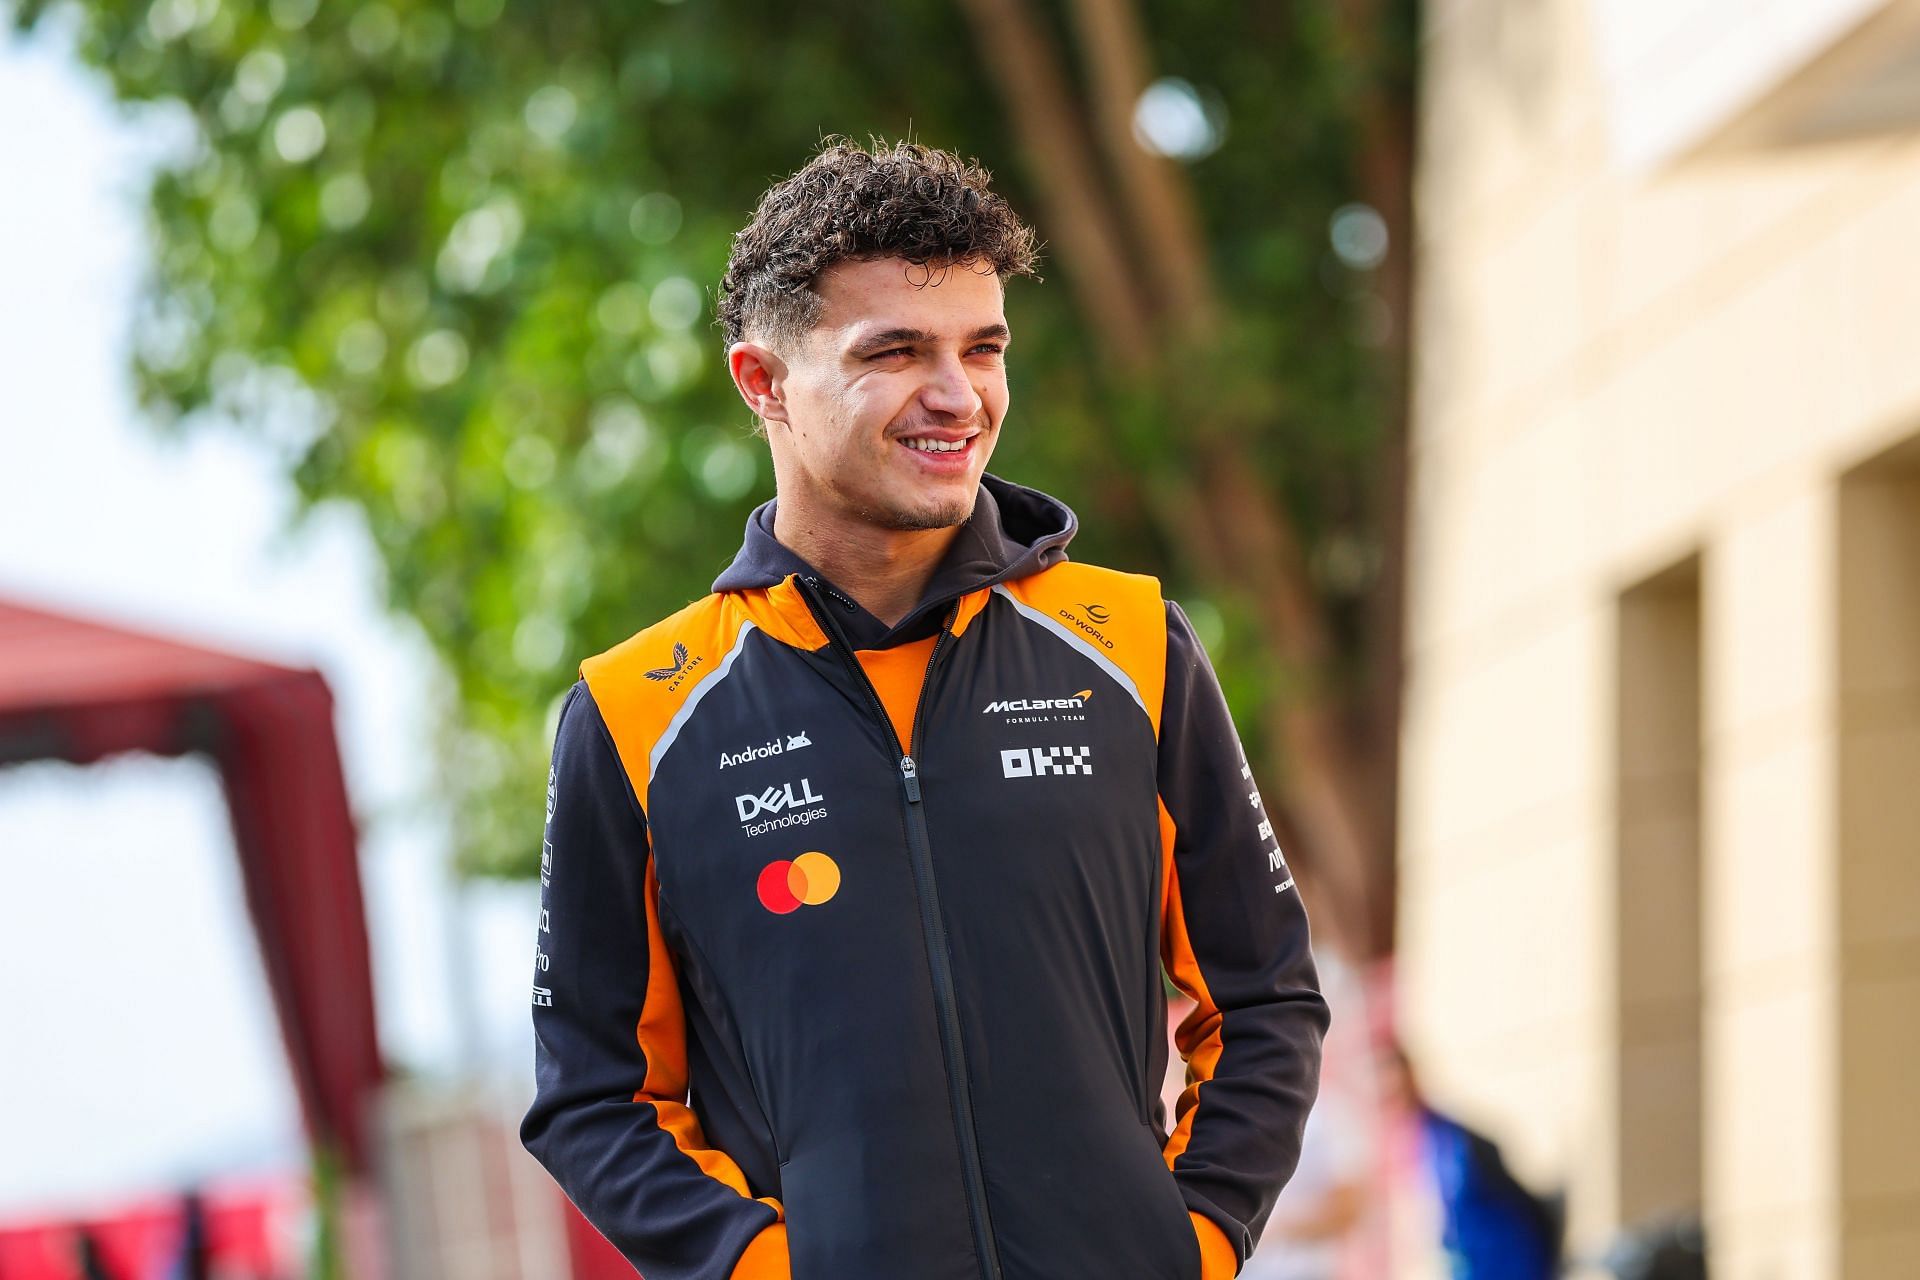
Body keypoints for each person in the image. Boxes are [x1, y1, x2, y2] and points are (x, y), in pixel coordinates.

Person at [521, 137, 1329, 1280]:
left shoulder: (1135, 643)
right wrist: (765, 1268)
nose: (957, 396)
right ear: (763, 383)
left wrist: (1189, 1240)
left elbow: (1265, 998)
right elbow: (594, 1097)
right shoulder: (635, 714)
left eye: (982, 348)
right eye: (895, 351)